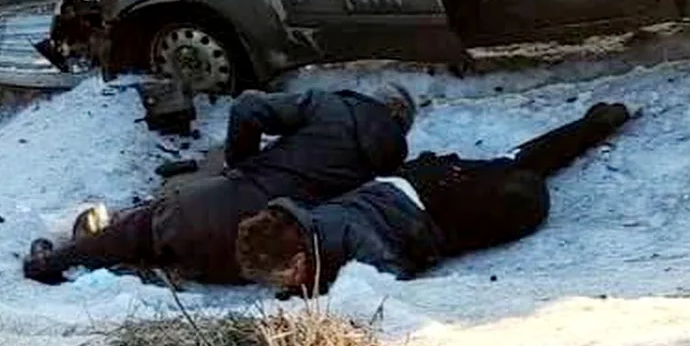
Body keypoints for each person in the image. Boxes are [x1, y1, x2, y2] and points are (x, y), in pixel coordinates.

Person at [23, 84, 416, 286]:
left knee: (149, 225)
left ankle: (51, 264)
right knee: (172, 239)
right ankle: (152, 268)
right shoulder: (386, 167)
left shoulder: (330, 106)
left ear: (371, 99)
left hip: (229, 205)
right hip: (263, 257)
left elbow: (247, 106)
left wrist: (240, 165)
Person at [235, 102, 632, 296]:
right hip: (415, 186)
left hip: (437, 203)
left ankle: (595, 124)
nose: (279, 288)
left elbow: (388, 280)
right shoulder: (303, 227)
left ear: (299, 260)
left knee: (524, 197)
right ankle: (596, 121)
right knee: (512, 163)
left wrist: (325, 296)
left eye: (280, 279)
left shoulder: (345, 234)